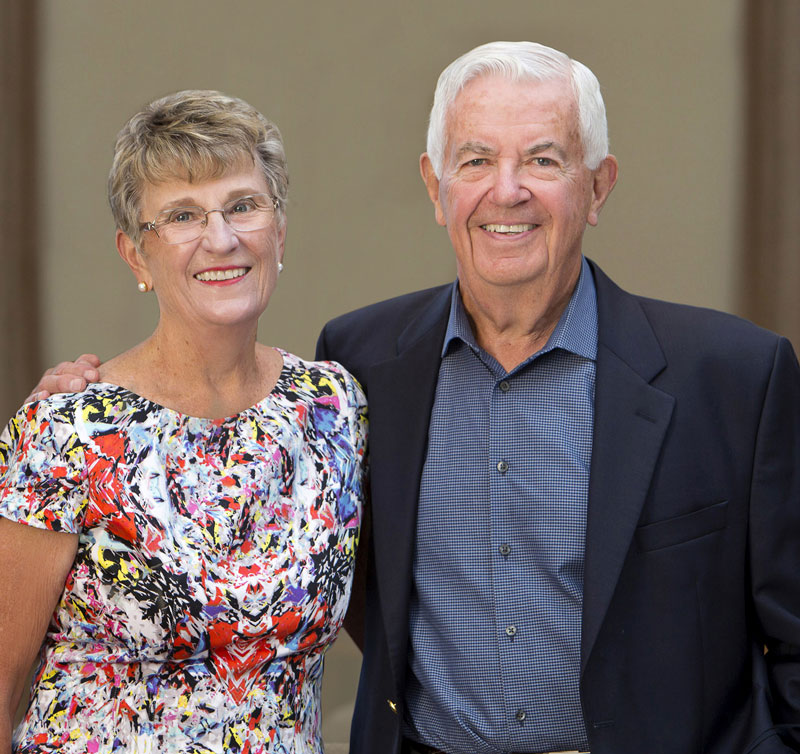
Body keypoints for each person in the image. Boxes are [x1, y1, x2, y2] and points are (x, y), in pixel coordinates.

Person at [30, 41, 800, 754]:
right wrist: (79, 409)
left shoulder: (734, 378)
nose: (508, 191)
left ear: (597, 186)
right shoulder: (363, 367)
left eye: (543, 159)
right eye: (475, 160)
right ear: (436, 187)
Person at [0, 90, 367, 754]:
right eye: (181, 216)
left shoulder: (334, 408)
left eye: (244, 206)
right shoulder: (64, 432)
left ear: (279, 232)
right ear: (136, 256)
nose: (220, 238)